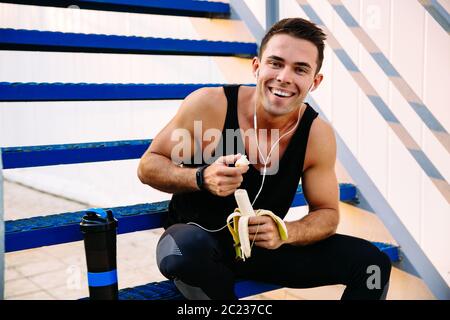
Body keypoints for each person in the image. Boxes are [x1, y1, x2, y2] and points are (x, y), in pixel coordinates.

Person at [137, 18, 391, 300]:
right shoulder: (209, 105)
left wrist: (286, 232)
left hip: (264, 249)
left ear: (315, 81)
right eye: (276, 63)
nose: (284, 76)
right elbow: (149, 166)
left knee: (372, 265)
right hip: (201, 245)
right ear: (257, 66)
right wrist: (200, 177)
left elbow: (327, 214)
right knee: (185, 251)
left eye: (300, 69)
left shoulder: (316, 134)